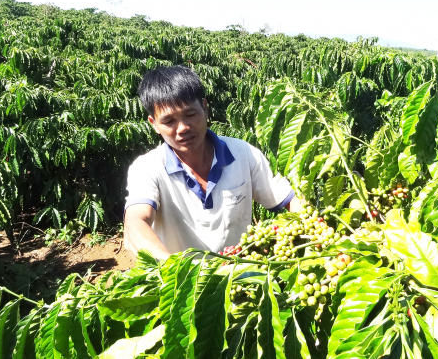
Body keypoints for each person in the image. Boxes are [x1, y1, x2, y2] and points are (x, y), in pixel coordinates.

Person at [123, 65, 304, 260]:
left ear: (205, 107)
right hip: (182, 283)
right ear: (154, 124)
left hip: (241, 277)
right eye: (169, 122)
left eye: (190, 115)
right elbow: (135, 223)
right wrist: (175, 267)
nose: (183, 128)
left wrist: (319, 229)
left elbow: (288, 200)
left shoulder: (243, 153)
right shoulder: (147, 168)